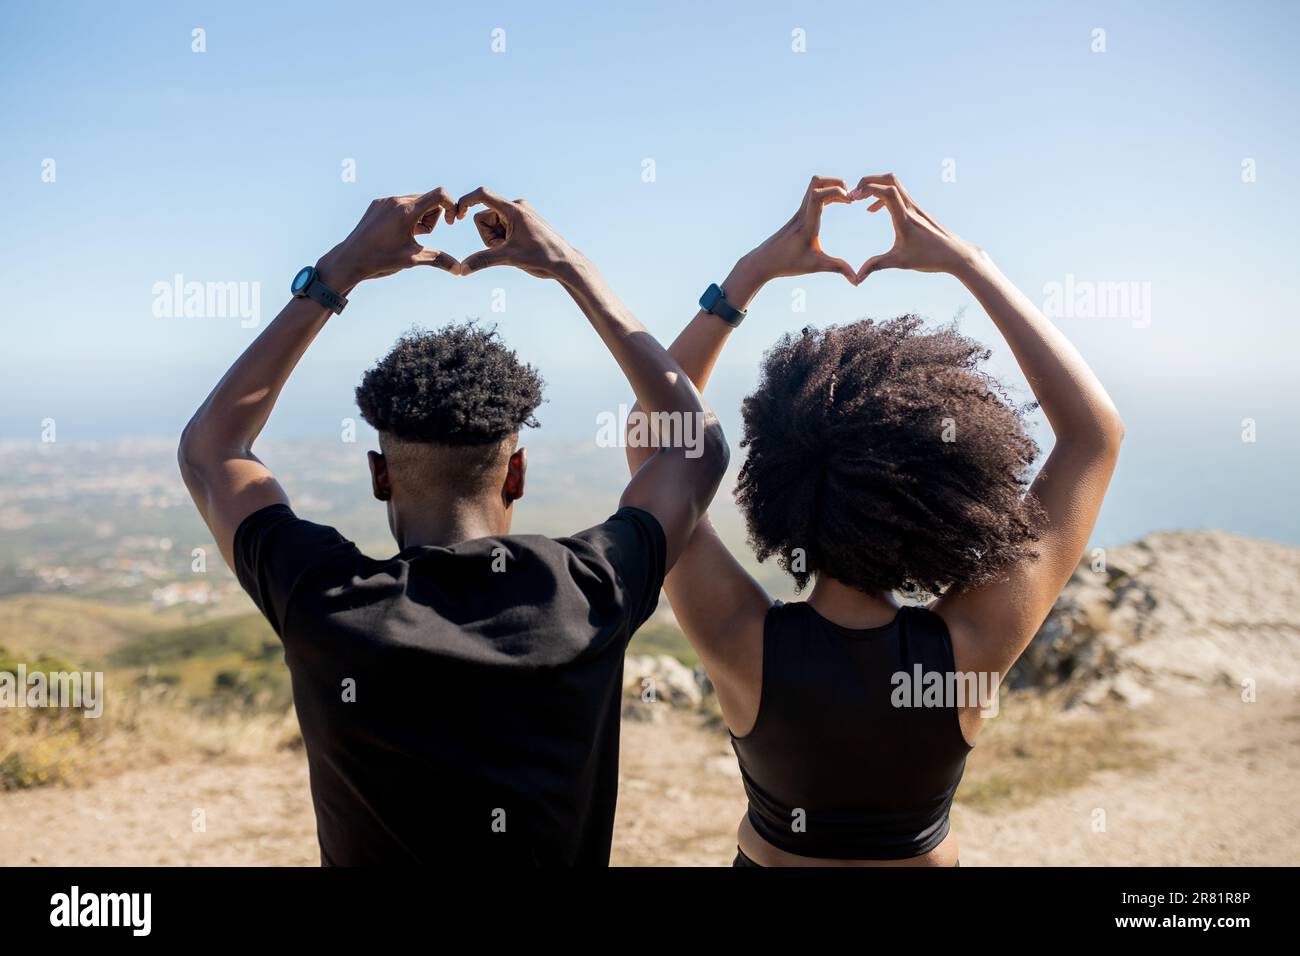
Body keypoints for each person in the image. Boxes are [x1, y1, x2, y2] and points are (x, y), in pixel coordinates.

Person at [178, 186, 728, 865]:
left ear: (381, 476)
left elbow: (211, 451)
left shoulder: (323, 599)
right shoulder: (588, 590)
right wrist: (567, 266)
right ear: (516, 474)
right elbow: (693, 446)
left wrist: (340, 270)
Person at [624, 174, 1123, 867]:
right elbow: (1094, 437)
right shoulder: (969, 647)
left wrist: (749, 275)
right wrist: (969, 264)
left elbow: (654, 442)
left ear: (778, 482)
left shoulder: (742, 641)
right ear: (950, 499)